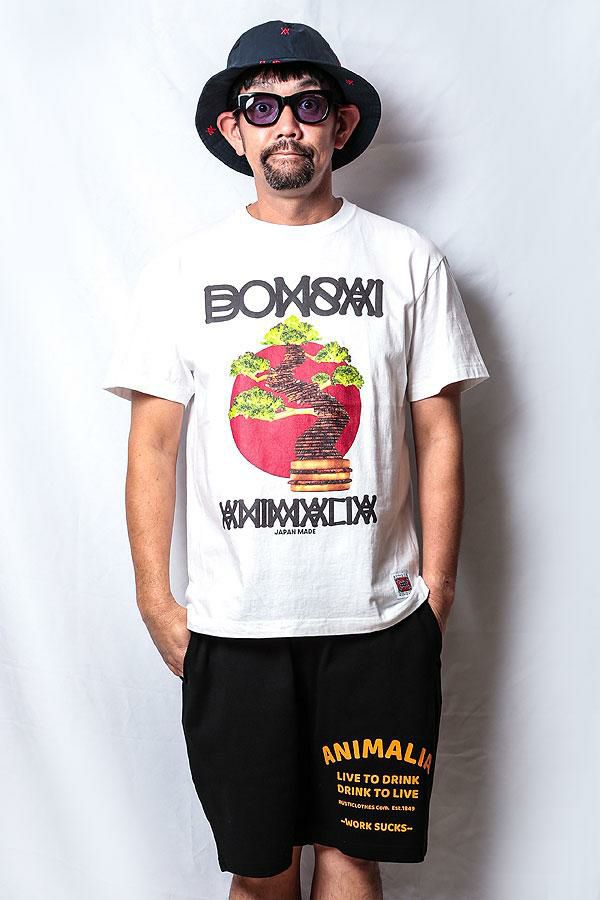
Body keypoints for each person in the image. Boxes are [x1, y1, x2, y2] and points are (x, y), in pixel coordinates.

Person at [102, 19, 490, 900]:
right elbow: (153, 442)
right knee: (261, 871)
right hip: (235, 627)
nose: (287, 124)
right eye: (263, 107)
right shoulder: (183, 271)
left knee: (354, 860)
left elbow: (438, 432)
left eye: (309, 106)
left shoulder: (406, 259)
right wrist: (157, 601)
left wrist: (436, 593)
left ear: (340, 125)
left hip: (379, 625)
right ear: (232, 128)